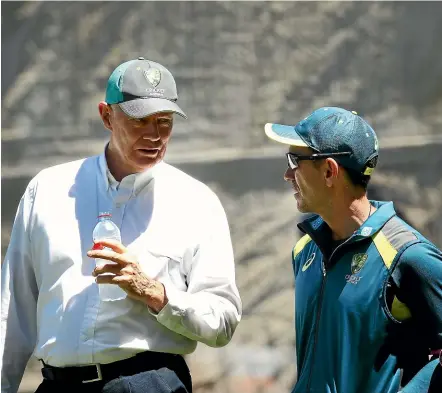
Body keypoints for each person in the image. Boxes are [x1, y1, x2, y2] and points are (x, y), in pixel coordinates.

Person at [1, 57, 242, 393]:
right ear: (106, 116)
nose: (155, 135)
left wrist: (155, 293)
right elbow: (12, 312)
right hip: (55, 385)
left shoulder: (198, 203)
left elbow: (224, 319)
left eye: (165, 121)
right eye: (140, 120)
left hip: (147, 384)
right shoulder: (46, 190)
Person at [264, 107, 442, 393]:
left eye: (294, 161)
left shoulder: (407, 255)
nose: (287, 174)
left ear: (329, 171)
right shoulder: (304, 250)